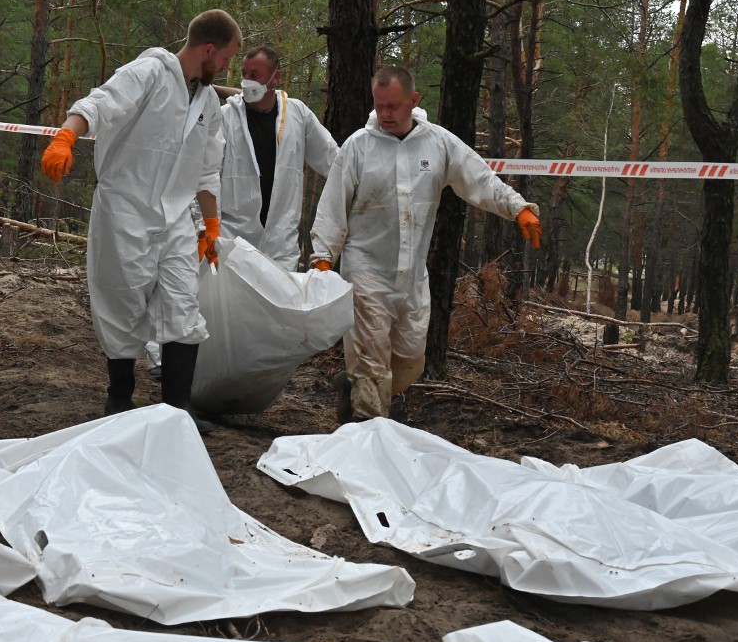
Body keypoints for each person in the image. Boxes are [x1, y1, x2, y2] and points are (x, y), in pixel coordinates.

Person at [40, 9, 242, 434]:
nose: (225, 69)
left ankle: (177, 408)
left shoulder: (207, 102)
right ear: (208, 50)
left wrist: (211, 224)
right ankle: (119, 398)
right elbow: (100, 102)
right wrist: (67, 135)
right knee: (123, 300)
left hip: (175, 218)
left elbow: (207, 170)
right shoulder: (150, 72)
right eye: (224, 59)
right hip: (126, 208)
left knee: (183, 302)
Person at [310, 66, 543, 422]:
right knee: (372, 365)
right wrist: (323, 256)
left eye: (393, 106)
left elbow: (478, 177)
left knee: (409, 363)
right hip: (366, 271)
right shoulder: (358, 146)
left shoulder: (438, 144)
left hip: (412, 279)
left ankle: (355, 387)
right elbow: (332, 205)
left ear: (414, 101)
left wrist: (518, 208)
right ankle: (367, 438)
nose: (385, 114)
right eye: (379, 105)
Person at [218, 46, 338, 271]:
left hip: (281, 242)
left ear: (275, 78)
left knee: (278, 304)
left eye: (254, 75)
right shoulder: (226, 117)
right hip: (232, 239)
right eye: (244, 74)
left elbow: (334, 161)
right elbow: (207, 175)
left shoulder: (297, 115)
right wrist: (207, 228)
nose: (246, 81)